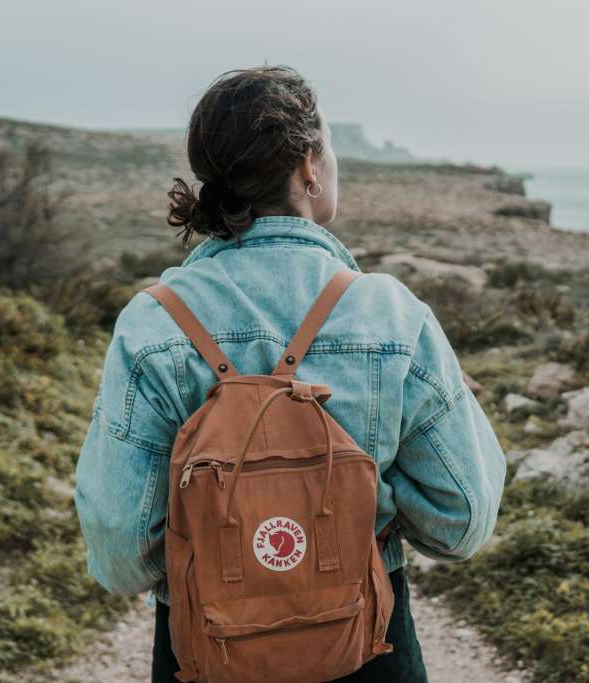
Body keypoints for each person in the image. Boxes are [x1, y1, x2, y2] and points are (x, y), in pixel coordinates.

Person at [73, 65, 507, 683]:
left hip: (207, 652)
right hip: (366, 647)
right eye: (330, 148)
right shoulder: (389, 312)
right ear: (308, 163)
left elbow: (120, 551)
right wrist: (354, 506)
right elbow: (461, 519)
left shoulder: (153, 324)